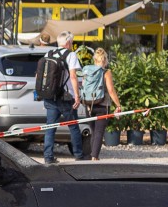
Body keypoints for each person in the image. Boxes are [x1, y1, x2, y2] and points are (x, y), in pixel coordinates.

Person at [41, 31, 84, 164]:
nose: (72, 44)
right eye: (71, 42)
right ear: (68, 43)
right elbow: (73, 76)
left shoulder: (48, 54)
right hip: (66, 97)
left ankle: (48, 157)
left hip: (50, 96)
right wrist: (77, 95)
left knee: (50, 127)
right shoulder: (71, 55)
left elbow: (40, 75)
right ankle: (78, 155)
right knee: (73, 126)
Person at [79, 47, 123, 161]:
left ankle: (91, 155)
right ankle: (95, 156)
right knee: (99, 131)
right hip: (103, 105)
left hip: (89, 105)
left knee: (93, 130)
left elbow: (83, 86)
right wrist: (118, 105)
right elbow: (111, 90)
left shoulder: (86, 70)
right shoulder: (106, 72)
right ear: (105, 60)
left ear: (95, 60)